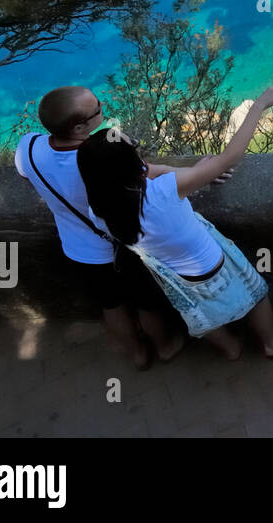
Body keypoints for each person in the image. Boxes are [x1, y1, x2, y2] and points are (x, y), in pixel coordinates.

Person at [76, 84, 273, 361]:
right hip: (211, 262)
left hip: (175, 277)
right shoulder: (163, 191)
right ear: (131, 164)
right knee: (255, 293)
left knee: (201, 313)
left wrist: (195, 172)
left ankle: (230, 348)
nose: (140, 153)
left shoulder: (99, 210)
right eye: (134, 149)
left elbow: (142, 174)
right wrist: (258, 105)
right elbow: (229, 158)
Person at [15, 86, 183, 369]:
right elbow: (146, 176)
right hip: (121, 247)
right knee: (145, 301)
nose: (104, 110)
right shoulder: (101, 161)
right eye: (98, 109)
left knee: (112, 305)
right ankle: (165, 348)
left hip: (80, 250)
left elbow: (24, 175)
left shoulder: (28, 147)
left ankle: (137, 356)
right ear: (80, 127)